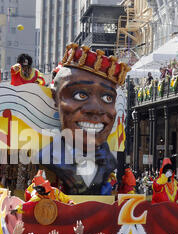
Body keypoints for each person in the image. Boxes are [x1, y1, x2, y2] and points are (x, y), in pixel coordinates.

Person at [38, 44, 130, 195]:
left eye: (107, 98)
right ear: (56, 98)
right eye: (80, 95)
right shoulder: (50, 156)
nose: (96, 109)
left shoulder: (109, 162)